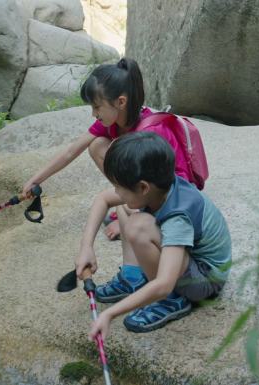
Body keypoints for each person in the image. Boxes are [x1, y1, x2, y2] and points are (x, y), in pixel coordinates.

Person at [21, 58, 193, 301]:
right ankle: (129, 212)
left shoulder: (150, 134)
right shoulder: (114, 123)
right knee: (97, 146)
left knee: (127, 209)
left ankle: (133, 209)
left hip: (167, 195)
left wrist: (135, 209)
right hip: (140, 187)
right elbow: (72, 150)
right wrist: (36, 179)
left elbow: (167, 185)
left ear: (120, 102)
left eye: (97, 107)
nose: (93, 113)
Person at [74, 132, 231, 336]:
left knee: (139, 226)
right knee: (125, 207)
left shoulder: (178, 218)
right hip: (189, 262)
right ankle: (132, 276)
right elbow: (103, 199)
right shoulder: (161, 185)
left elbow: (164, 283)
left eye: (119, 187)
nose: (116, 192)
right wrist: (87, 247)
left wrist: (110, 314)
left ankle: (171, 300)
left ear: (143, 187)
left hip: (204, 280)